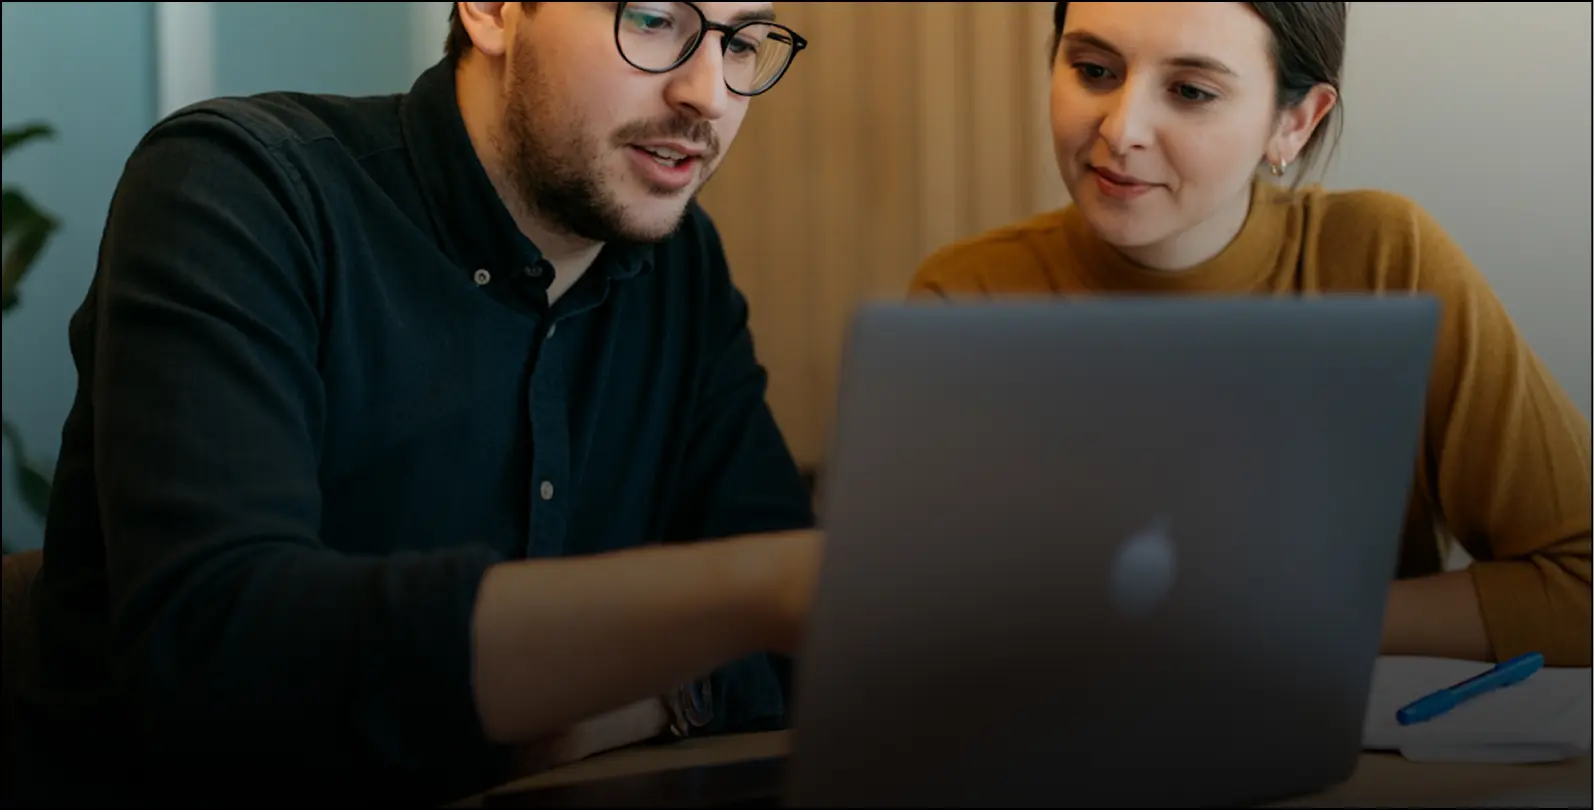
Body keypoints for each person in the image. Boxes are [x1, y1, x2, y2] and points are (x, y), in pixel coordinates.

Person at [15, 2, 825, 806]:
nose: (708, 94)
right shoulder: (240, 190)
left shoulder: (680, 267)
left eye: (743, 43)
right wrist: (742, 601)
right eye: (651, 20)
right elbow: (224, 651)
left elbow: (809, 643)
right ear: (493, 13)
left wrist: (657, 698)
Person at [911, 1, 1591, 668]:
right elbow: (913, 617)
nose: (1121, 130)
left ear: (1294, 122)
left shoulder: (1385, 262)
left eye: (1191, 91)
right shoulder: (964, 298)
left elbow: (1580, 581)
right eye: (1094, 71)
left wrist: (1283, 621)